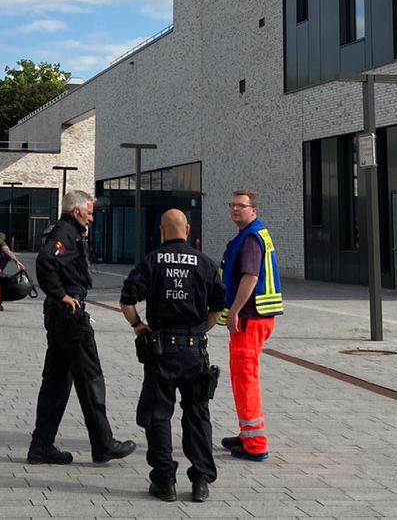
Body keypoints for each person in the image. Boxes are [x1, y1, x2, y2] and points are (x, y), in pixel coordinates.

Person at [120, 209, 225, 503]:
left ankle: (165, 481)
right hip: (194, 350)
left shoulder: (152, 261)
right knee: (197, 413)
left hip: (161, 349)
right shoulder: (205, 263)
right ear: (187, 229)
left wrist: (138, 325)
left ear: (161, 230)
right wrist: (199, 330)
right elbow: (219, 308)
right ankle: (201, 480)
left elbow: (127, 300)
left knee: (158, 415)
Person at [27, 190, 136, 465]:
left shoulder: (67, 231)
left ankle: (41, 445)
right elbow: (46, 261)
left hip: (60, 317)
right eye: (89, 212)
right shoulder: (64, 232)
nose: (92, 217)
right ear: (76, 212)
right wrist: (61, 295)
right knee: (90, 378)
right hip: (70, 317)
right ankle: (103, 443)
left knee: (56, 382)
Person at [220, 190, 283, 462]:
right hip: (257, 317)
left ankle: (255, 444)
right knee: (243, 377)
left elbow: (250, 277)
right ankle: (246, 433)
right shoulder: (254, 234)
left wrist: (233, 312)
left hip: (249, 318)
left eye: (241, 206)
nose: (235, 209)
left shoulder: (249, 240)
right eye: (232, 205)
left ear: (253, 210)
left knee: (245, 379)